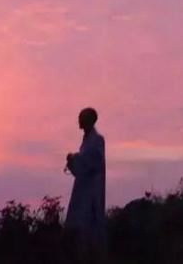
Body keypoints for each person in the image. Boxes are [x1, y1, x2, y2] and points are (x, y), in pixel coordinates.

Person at [64, 107, 107, 261]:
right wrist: (74, 161)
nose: (79, 121)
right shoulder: (87, 141)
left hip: (92, 191)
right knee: (80, 230)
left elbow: (93, 162)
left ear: (89, 120)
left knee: (89, 227)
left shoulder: (97, 140)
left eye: (82, 118)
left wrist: (75, 159)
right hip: (83, 190)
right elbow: (82, 167)